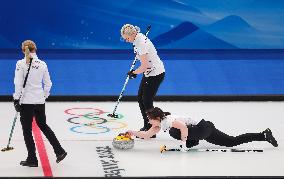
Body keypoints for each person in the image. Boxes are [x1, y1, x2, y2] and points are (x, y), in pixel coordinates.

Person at [126, 107, 278, 152]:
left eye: (149, 118)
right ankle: (263, 135)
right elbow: (146, 135)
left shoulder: (169, 121)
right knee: (232, 141)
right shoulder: (157, 125)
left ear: (157, 118)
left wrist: (185, 145)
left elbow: (184, 127)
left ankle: (192, 143)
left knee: (174, 132)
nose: (148, 121)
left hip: (202, 128)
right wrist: (131, 132)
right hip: (205, 128)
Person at [13, 40, 67, 167]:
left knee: (27, 130)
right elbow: (48, 84)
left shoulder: (20, 64)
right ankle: (59, 151)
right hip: (39, 101)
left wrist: (16, 99)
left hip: (26, 101)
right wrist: (43, 96)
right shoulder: (42, 64)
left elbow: (18, 84)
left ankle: (32, 159)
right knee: (43, 125)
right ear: (35, 49)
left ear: (23, 50)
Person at [121, 24, 165, 136]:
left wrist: (134, 72)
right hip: (149, 73)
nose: (126, 41)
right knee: (141, 98)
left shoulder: (140, 43)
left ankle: (152, 129)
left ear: (133, 35)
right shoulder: (137, 38)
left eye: (127, 38)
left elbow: (144, 65)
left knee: (146, 100)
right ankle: (147, 125)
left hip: (155, 74)